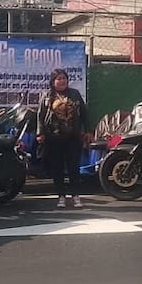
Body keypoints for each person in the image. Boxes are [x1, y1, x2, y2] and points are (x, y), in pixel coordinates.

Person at [36, 69, 93, 209]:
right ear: (53, 81)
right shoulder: (47, 96)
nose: (62, 81)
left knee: (73, 167)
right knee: (57, 167)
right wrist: (40, 133)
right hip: (53, 137)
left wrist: (87, 131)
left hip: (73, 137)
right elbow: (41, 116)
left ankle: (75, 196)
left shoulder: (74, 94)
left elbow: (84, 113)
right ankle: (61, 196)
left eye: (64, 78)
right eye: (59, 78)